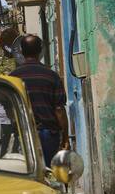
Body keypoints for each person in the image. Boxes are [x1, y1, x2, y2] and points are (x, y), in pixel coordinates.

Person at [11, 35, 70, 166]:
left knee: (29, 172)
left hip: (25, 134)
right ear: (40, 50)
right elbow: (59, 110)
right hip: (49, 134)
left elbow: (9, 109)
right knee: (50, 172)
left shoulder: (14, 77)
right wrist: (65, 137)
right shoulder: (51, 76)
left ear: (21, 51)